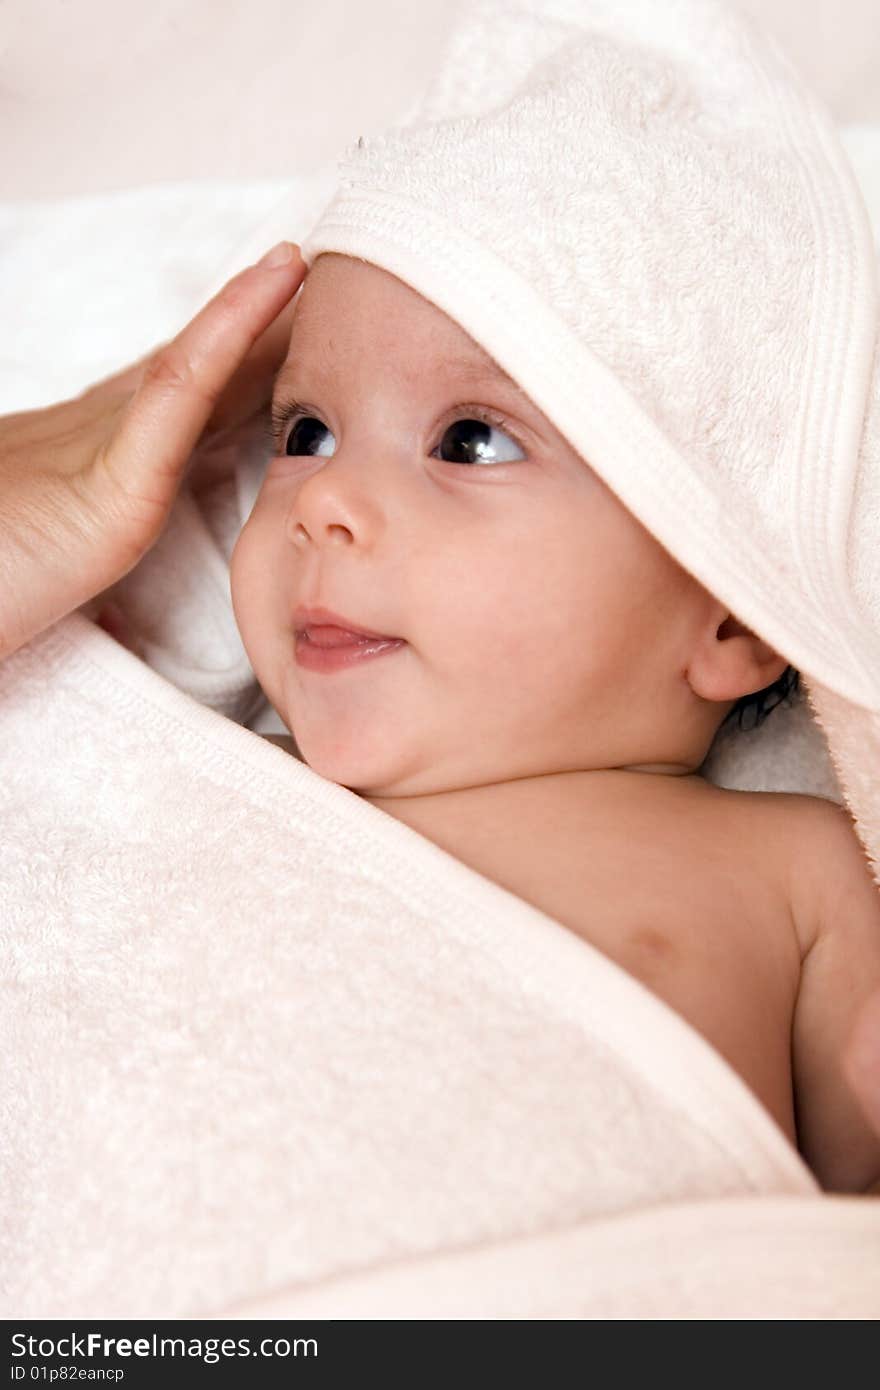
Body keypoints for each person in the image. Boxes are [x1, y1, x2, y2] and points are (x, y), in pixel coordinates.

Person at [2, 246, 879, 1194]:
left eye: (470, 442)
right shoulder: (185, 777)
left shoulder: (801, 865)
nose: (323, 502)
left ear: (732, 609)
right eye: (307, 435)